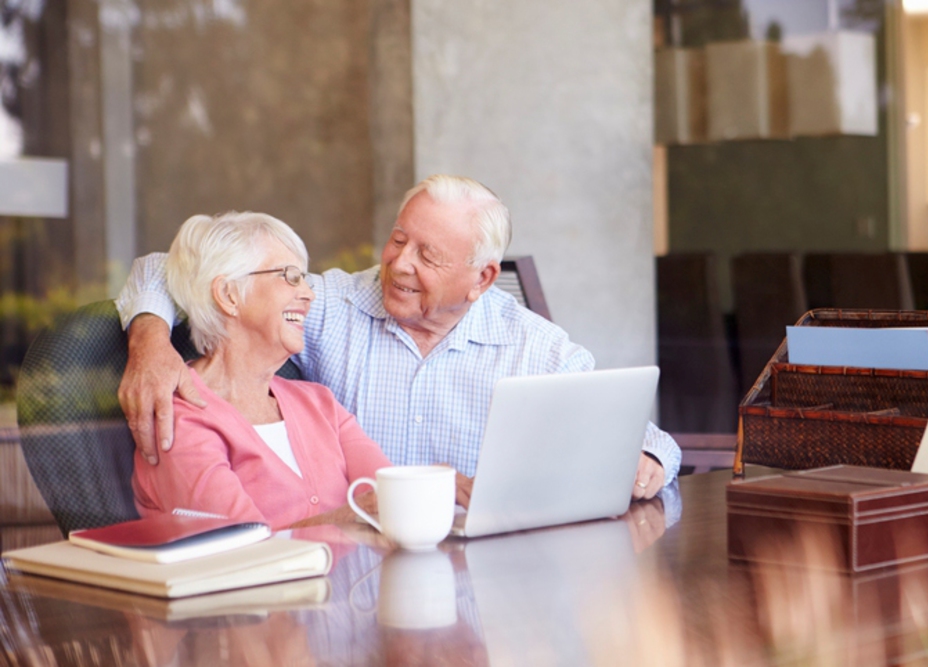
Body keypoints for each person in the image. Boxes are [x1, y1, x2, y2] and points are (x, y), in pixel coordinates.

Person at [117, 175, 680, 502]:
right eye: (397, 240)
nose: (399, 265)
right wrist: (148, 342)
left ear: (483, 277)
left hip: (481, 586)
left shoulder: (536, 348)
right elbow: (179, 268)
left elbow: (645, 435)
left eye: (427, 255)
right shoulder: (330, 305)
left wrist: (647, 457)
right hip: (357, 581)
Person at [130, 212, 392, 530]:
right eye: (291, 276)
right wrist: (352, 516)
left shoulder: (320, 403)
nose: (309, 293)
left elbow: (389, 500)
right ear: (228, 295)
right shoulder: (178, 418)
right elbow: (242, 548)